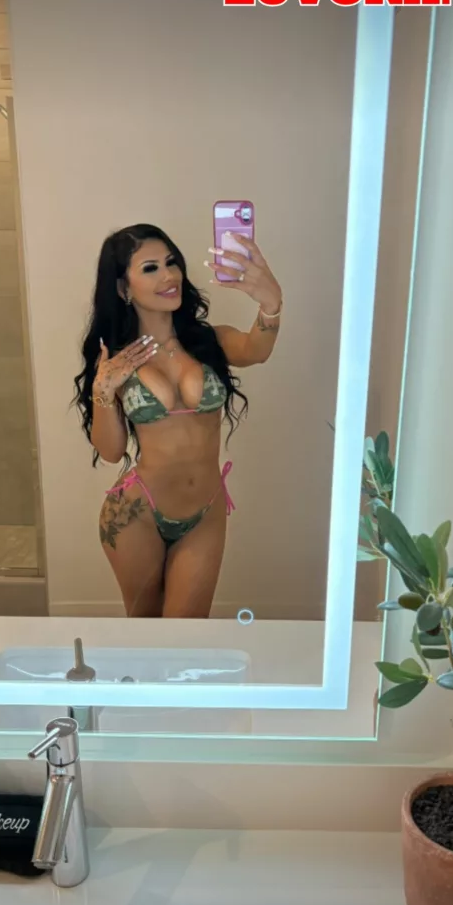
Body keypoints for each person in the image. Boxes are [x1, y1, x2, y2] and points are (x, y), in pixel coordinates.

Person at [73, 223, 282, 618]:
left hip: (205, 511)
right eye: (150, 268)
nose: (169, 276)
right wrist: (103, 390)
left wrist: (271, 303)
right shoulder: (118, 362)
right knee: (147, 632)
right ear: (123, 287)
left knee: (187, 634)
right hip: (137, 514)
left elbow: (256, 349)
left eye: (171, 263)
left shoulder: (208, 342)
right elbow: (112, 451)